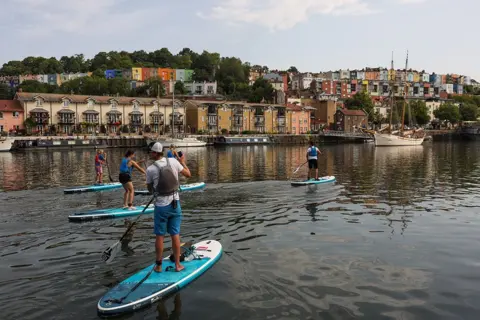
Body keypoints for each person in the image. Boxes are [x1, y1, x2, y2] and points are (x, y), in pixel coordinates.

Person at [146, 142, 191, 273]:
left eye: (151, 152)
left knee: (160, 236)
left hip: (161, 207)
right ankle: (178, 265)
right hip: (175, 205)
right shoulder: (173, 161)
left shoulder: (150, 169)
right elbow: (188, 174)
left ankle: (159, 266)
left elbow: (150, 190)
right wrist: (182, 162)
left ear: (155, 153)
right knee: (175, 234)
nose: (150, 154)